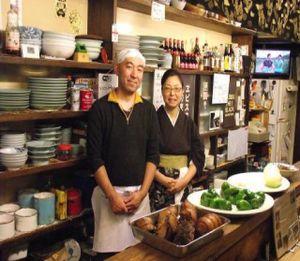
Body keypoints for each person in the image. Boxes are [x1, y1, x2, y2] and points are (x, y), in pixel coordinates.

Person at [87, 49, 160, 260]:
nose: (135, 74)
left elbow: (152, 156)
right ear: (117, 69)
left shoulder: (148, 110)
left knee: (141, 255)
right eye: (129, 66)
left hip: (140, 199)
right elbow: (94, 158)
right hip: (109, 198)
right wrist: (112, 196)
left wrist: (143, 193)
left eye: (140, 69)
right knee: (110, 256)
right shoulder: (100, 109)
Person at [149, 69, 205, 211]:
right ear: (161, 91)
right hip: (158, 185)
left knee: (184, 225)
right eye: (167, 89)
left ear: (182, 91)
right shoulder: (152, 120)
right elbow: (145, 156)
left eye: (176, 89)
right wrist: (163, 180)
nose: (172, 94)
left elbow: (198, 156)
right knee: (161, 227)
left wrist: (184, 181)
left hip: (184, 182)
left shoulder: (189, 123)